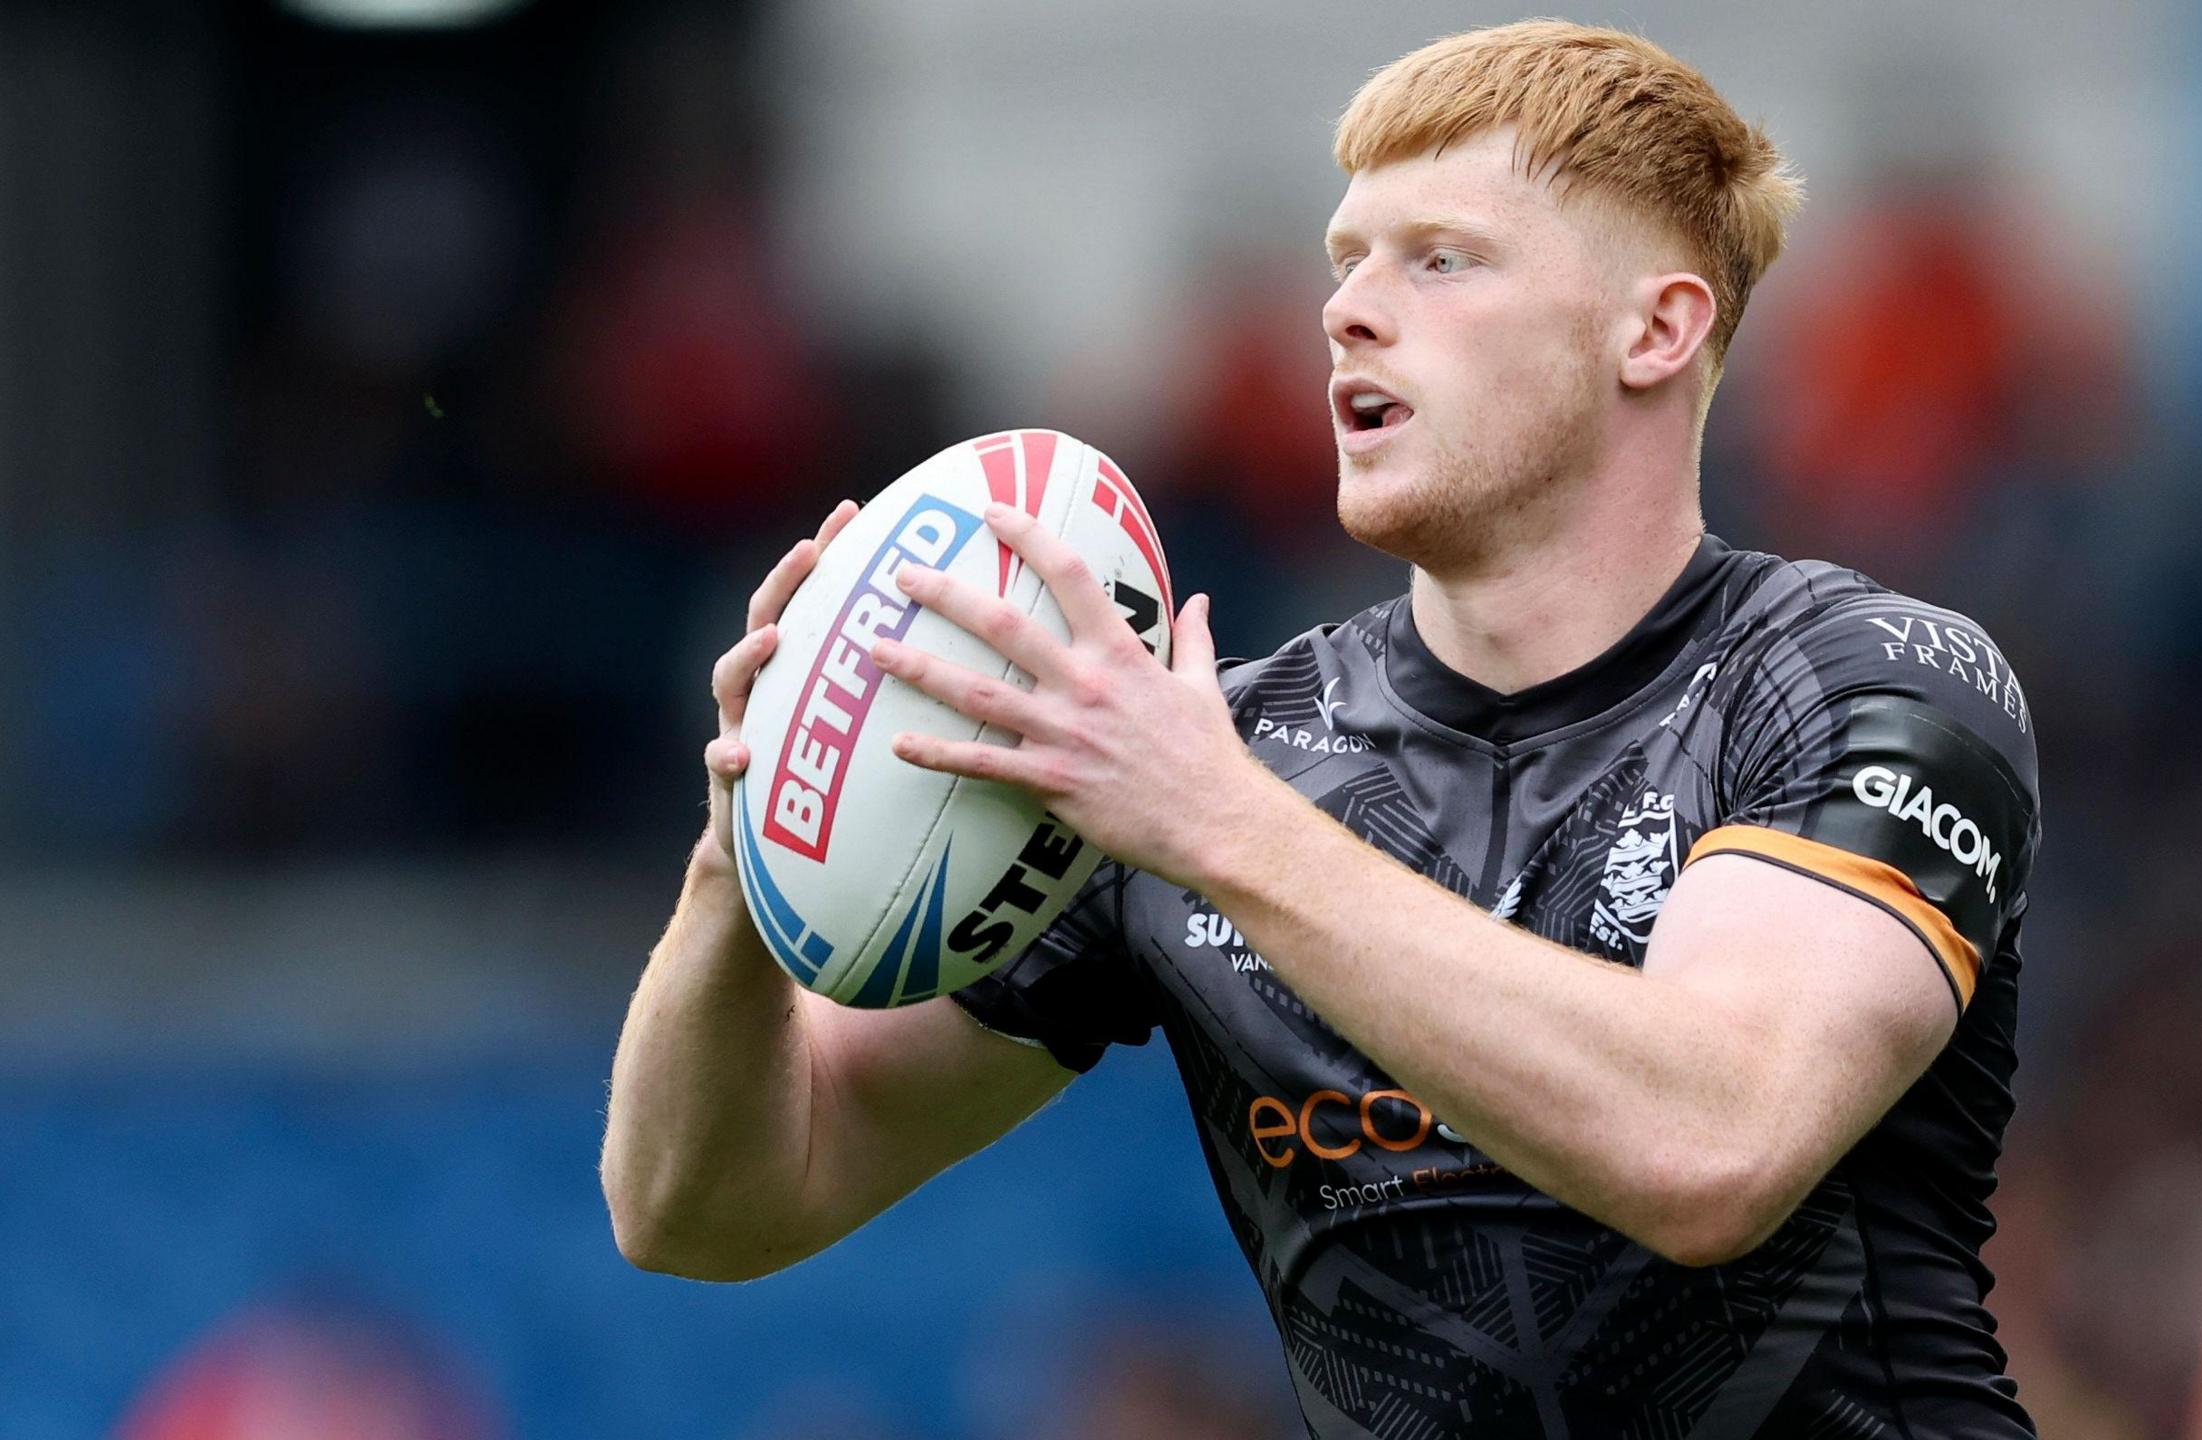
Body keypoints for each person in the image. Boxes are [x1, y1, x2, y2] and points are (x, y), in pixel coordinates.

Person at [603, 21, 2043, 1438]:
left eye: (1442, 259)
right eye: (1346, 261)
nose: (1348, 310)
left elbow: (1713, 1145)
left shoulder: (1867, 679)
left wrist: (1218, 828)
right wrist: (743, 868)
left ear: (1656, 329)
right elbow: (703, 1207)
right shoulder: (1187, 757)